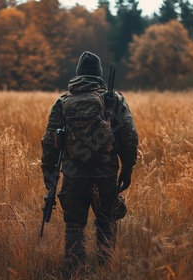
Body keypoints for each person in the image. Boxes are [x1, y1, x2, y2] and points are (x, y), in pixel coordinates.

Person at [41, 51, 138, 273]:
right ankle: (106, 270)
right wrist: (127, 169)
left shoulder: (63, 102)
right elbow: (129, 136)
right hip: (105, 175)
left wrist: (49, 173)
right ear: (99, 74)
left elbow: (48, 141)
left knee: (74, 226)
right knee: (105, 222)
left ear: (78, 73)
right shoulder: (114, 100)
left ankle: (75, 271)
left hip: (73, 174)